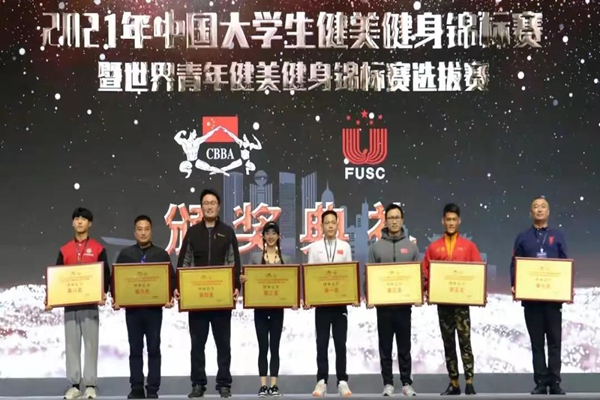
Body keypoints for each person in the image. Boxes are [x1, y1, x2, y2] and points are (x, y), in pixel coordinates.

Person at [175, 189, 242, 399]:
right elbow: (184, 262)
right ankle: (198, 383)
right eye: (206, 203)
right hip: (198, 300)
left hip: (221, 299)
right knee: (197, 345)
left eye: (213, 203)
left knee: (223, 344)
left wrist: (235, 287)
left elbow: (234, 261)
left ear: (218, 207)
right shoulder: (193, 233)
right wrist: (180, 286)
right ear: (201, 207)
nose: (209, 206)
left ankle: (224, 384)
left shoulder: (227, 232)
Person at [46, 207, 111, 400]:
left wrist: (103, 292)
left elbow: (105, 274)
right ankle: (74, 385)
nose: (80, 221)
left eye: (84, 219)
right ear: (72, 223)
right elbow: (57, 277)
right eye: (77, 218)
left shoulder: (98, 249)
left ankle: (90, 385)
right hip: (70, 305)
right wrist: (51, 297)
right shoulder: (64, 249)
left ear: (90, 223)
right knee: (71, 344)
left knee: (91, 344)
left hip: (90, 304)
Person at [510, 197, 568, 395]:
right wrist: (514, 285)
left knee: (554, 342)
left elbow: (565, 263)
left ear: (548, 212)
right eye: (535, 206)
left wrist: (567, 287)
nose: (539, 209)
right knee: (536, 344)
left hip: (553, 300)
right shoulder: (523, 237)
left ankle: (555, 382)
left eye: (543, 206)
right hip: (531, 300)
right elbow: (515, 263)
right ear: (531, 212)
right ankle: (541, 382)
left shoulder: (558, 236)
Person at [422, 203, 481, 396]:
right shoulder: (434, 247)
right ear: (443, 221)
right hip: (443, 304)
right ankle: (454, 382)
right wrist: (427, 290)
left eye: (454, 219)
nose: (451, 223)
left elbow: (477, 272)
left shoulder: (469, 246)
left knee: (465, 342)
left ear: (459, 221)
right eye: (448, 219)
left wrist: (479, 293)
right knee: (448, 343)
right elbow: (425, 272)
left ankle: (469, 381)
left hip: (461, 305)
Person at [113, 215, 175, 399]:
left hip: (153, 311)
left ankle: (153, 388)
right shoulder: (126, 254)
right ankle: (137, 387)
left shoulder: (161, 254)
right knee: (135, 349)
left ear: (151, 231)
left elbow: (171, 279)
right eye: (139, 229)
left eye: (146, 229)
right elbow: (115, 280)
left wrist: (169, 297)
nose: (143, 233)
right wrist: (116, 298)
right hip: (133, 311)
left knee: (154, 348)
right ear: (135, 232)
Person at [367, 204, 419, 397]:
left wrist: (418, 295)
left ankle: (406, 383)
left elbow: (417, 275)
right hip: (384, 308)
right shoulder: (376, 247)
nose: (394, 221)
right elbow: (369, 276)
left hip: (404, 307)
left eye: (397, 217)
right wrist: (370, 296)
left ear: (402, 220)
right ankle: (388, 383)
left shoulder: (411, 247)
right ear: (385, 221)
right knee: (385, 347)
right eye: (391, 218)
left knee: (405, 347)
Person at [240, 221, 293, 397]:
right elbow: (250, 281)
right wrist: (244, 280)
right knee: (263, 347)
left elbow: (290, 283)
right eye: (267, 233)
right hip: (260, 309)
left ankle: (274, 385)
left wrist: (293, 299)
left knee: (275, 347)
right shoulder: (255, 257)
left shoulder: (286, 259)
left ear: (278, 236)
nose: (270, 236)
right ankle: (263, 385)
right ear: (263, 236)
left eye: (273, 233)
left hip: (277, 309)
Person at [308, 210, 353, 397]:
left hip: (340, 304)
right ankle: (321, 381)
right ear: (322, 226)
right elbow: (311, 275)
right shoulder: (315, 247)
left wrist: (352, 296)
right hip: (322, 305)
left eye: (333, 222)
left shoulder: (345, 246)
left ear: (337, 224)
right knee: (322, 344)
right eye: (327, 223)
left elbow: (349, 274)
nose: (330, 226)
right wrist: (310, 297)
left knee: (341, 343)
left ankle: (342, 381)